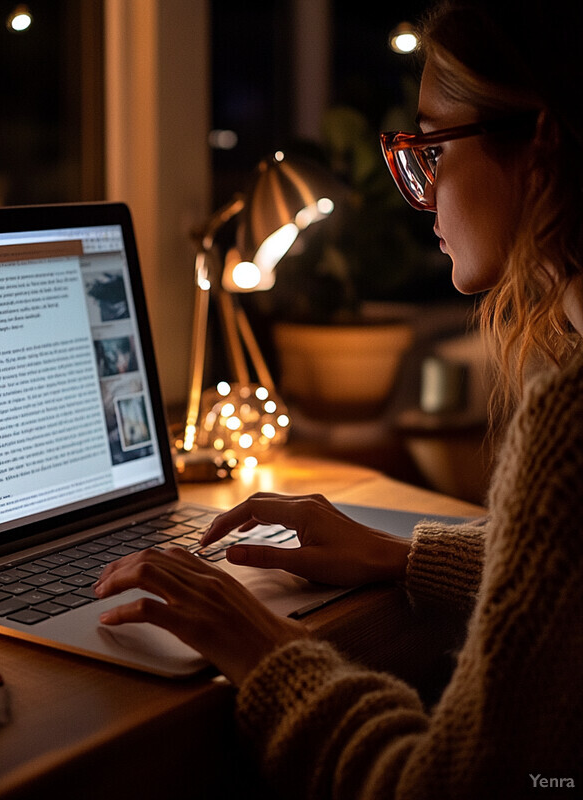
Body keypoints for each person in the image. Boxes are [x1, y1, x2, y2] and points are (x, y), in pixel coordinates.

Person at [93, 0, 583, 796]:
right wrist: (406, 554)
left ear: (541, 143)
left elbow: (441, 787)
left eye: (431, 147)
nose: (418, 192)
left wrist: (263, 650)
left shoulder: (568, 420)